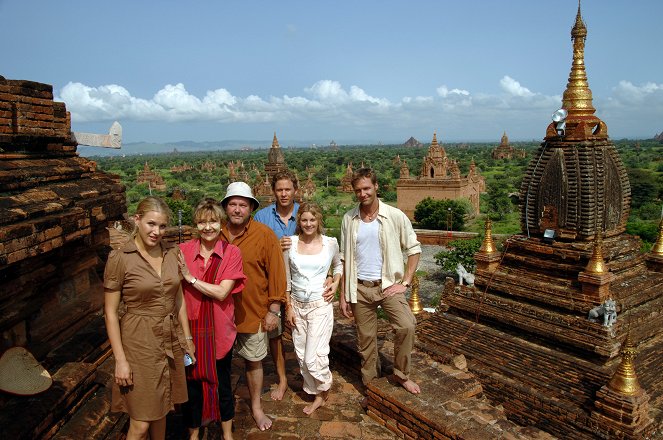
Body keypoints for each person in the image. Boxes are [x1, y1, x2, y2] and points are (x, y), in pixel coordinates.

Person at [103, 196, 196, 440]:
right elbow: (111, 313)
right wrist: (120, 360)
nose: (157, 232)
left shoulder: (172, 253)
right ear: (137, 220)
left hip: (169, 337)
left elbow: (179, 300)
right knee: (141, 422)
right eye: (151, 224)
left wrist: (187, 337)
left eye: (162, 226)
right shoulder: (121, 258)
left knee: (163, 407)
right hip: (138, 341)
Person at [339, 168, 422, 399]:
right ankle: (372, 386)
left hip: (388, 285)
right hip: (359, 287)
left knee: (406, 325)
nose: (362, 194)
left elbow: (414, 249)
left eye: (366, 188)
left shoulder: (394, 216)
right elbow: (345, 258)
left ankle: (401, 375)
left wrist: (405, 282)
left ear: (376, 187)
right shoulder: (349, 218)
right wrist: (344, 294)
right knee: (366, 341)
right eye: (358, 190)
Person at [219, 181, 287, 431]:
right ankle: (216, 406)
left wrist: (274, 309)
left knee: (253, 362)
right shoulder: (215, 234)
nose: (237, 209)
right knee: (218, 365)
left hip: (253, 310)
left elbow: (277, 274)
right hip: (219, 313)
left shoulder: (264, 234)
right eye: (233, 204)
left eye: (243, 205)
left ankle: (256, 407)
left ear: (251, 208)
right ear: (226, 207)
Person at [178, 198, 246, 440]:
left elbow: (222, 292)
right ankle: (194, 434)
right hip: (190, 329)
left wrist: (190, 279)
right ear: (196, 225)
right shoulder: (184, 251)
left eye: (213, 222)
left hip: (219, 331)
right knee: (192, 387)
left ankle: (227, 434)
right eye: (202, 222)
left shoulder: (231, 253)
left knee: (222, 385)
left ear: (221, 223)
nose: (208, 227)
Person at [283, 202, 342, 415]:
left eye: (312, 220)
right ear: (299, 222)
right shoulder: (290, 243)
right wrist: (288, 307)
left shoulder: (330, 243)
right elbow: (287, 279)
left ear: (319, 221)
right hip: (297, 306)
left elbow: (339, 264)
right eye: (304, 220)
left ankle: (323, 390)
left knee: (313, 356)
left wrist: (335, 282)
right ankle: (314, 388)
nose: (308, 224)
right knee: (300, 353)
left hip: (320, 305)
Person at [253, 170, 299, 400]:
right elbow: (254, 249)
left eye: (287, 189)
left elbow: (319, 243)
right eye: (279, 189)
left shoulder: (304, 215)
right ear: (273, 192)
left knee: (303, 330)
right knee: (276, 335)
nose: (283, 194)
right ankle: (282, 379)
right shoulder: (261, 217)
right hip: (271, 283)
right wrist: (274, 247)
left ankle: (308, 373)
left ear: (295, 191)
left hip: (299, 284)